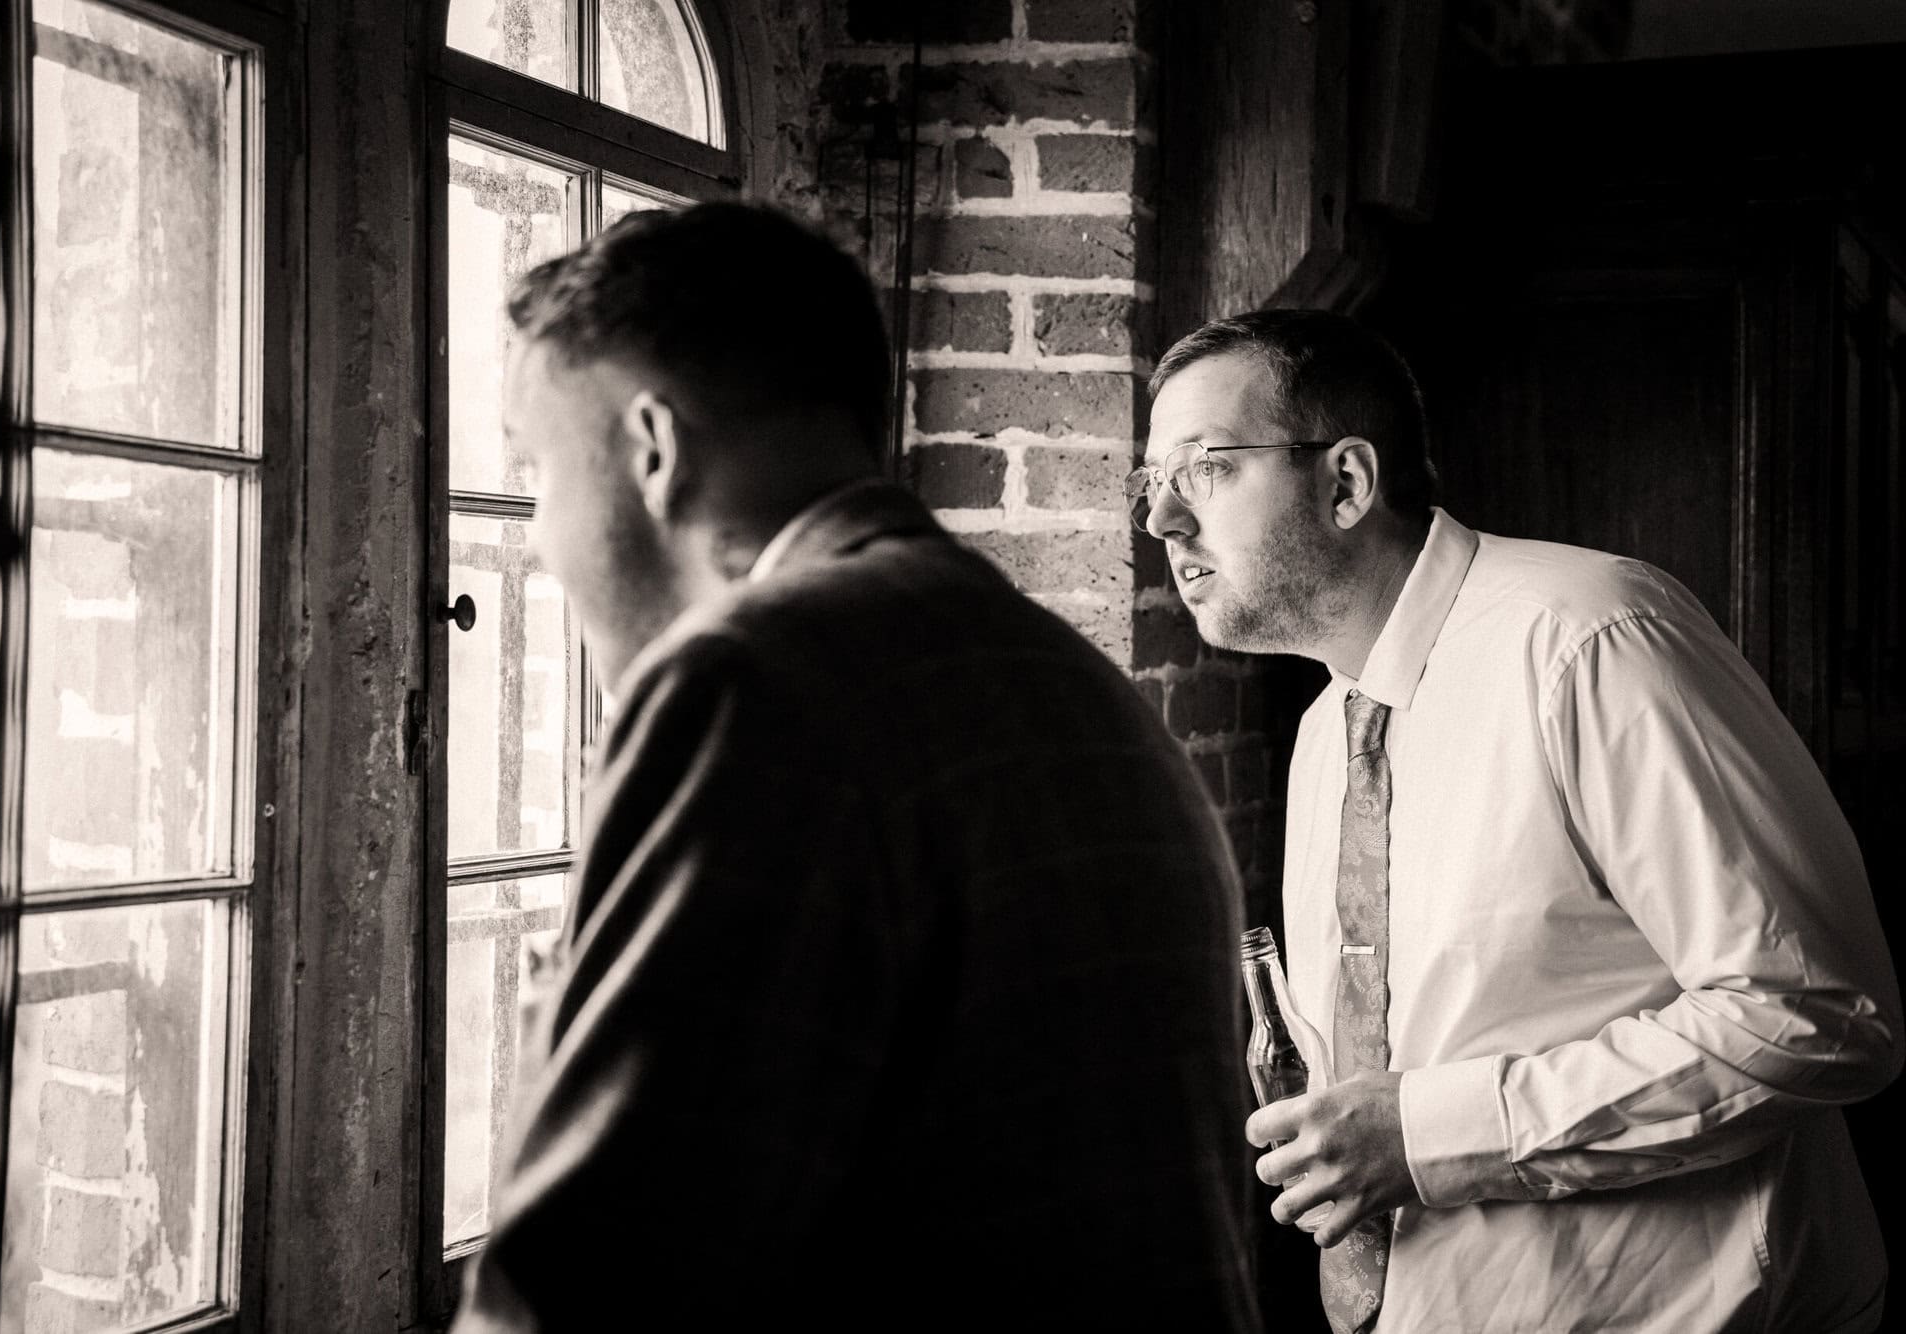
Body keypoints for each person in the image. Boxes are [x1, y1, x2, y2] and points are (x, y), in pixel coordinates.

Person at [448, 201, 1257, 1332]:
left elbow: (595, 1280)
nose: (534, 533)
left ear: (652, 450)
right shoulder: (1074, 682)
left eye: (538, 469)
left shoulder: (753, 685)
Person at [1135, 308, 1902, 1333]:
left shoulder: (1591, 636)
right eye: (1151, 483)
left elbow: (1818, 1013)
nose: (1160, 523)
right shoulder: (1330, 726)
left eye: (1206, 469)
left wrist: (1424, 1133)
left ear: (1346, 481)